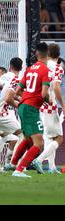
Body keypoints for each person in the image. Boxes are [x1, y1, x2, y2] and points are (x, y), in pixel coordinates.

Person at [8, 43, 51, 178]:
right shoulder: (45, 70)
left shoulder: (30, 69)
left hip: (22, 106)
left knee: (28, 139)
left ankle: (13, 163)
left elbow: (17, 91)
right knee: (39, 143)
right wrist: (48, 101)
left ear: (36, 54)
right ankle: (19, 170)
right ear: (47, 54)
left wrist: (28, 97)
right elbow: (44, 94)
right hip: (31, 108)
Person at [32, 43, 64, 174]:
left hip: (38, 104)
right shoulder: (57, 68)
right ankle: (39, 160)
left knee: (48, 136)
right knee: (59, 138)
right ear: (58, 54)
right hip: (50, 105)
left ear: (48, 53)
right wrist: (63, 105)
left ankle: (51, 167)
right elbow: (56, 87)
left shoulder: (39, 66)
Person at [0, 59, 23, 169]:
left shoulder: (3, 77)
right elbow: (9, 99)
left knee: (4, 136)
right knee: (22, 135)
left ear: (9, 66)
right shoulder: (16, 79)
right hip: (1, 113)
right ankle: (12, 163)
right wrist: (22, 106)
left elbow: (8, 93)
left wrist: (19, 98)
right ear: (21, 68)